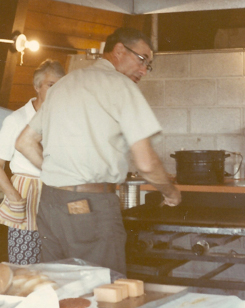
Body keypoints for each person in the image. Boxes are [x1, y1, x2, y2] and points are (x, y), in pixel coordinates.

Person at [15, 27, 181, 275]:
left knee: (59, 290)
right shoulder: (121, 86)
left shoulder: (64, 84)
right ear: (119, 50)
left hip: (50, 204)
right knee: (103, 292)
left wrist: (63, 175)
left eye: (148, 65)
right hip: (90, 207)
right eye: (142, 59)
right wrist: (170, 192)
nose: (144, 70)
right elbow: (146, 163)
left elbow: (25, 142)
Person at [0, 59, 65, 265]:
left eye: (61, 85)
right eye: (51, 85)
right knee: (25, 265)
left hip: (57, 192)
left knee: (56, 264)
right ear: (37, 87)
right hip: (27, 194)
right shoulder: (16, 120)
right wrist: (14, 198)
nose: (57, 90)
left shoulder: (64, 119)